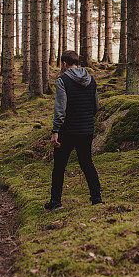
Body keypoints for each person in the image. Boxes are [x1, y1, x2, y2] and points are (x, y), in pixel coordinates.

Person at [44, 50, 102, 211]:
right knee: (87, 163)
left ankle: (56, 202)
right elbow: (96, 105)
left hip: (67, 131)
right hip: (86, 129)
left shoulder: (62, 80)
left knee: (59, 167)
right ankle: (97, 199)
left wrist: (55, 130)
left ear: (64, 64)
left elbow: (60, 109)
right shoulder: (91, 80)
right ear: (77, 62)